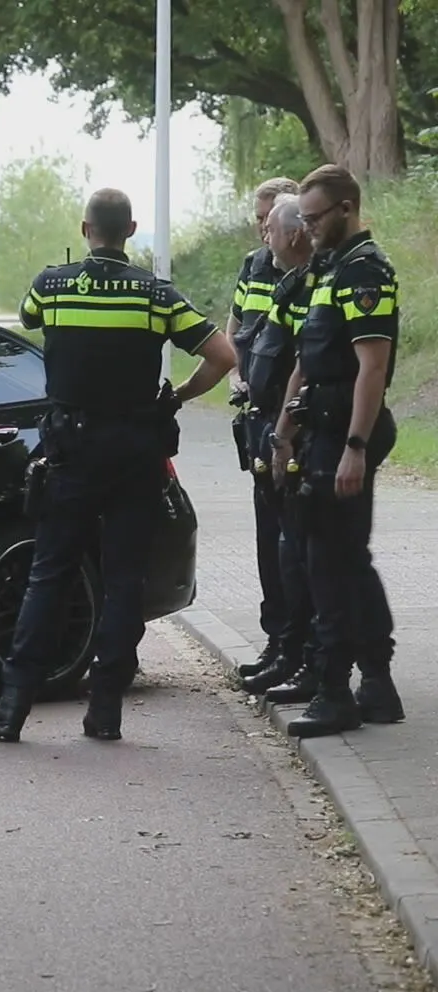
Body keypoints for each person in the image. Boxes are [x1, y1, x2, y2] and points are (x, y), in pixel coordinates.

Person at [0, 187, 240, 744]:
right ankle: (106, 710)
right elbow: (223, 356)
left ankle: (12, 707)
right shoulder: (155, 296)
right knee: (123, 581)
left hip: (71, 450)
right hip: (136, 454)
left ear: (84, 229)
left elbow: (28, 319)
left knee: (48, 575)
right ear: (131, 229)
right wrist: (179, 396)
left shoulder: (51, 286)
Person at [268, 163, 403, 738]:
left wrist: (355, 447)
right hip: (318, 428)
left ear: (346, 209)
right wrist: (282, 431)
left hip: (344, 433)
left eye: (317, 217)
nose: (309, 227)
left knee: (329, 563)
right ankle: (376, 682)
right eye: (304, 217)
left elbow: (372, 367)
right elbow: (306, 359)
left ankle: (335, 691)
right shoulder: (328, 269)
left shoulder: (365, 272)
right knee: (345, 559)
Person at [238, 193, 321, 703]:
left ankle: (314, 660)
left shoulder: (326, 280)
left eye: (268, 224)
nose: (263, 233)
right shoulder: (276, 276)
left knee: (307, 552)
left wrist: (286, 429)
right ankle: (288, 650)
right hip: (268, 424)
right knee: (279, 547)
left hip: (302, 433)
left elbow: (306, 363)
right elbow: (252, 340)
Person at [225, 177, 299, 682]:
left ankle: (301, 646)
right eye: (258, 217)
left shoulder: (303, 273)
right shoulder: (254, 266)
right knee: (266, 536)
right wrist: (235, 372)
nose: (260, 227)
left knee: (293, 540)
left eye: (267, 218)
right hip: (255, 419)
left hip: (290, 421)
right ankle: (277, 641)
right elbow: (233, 330)